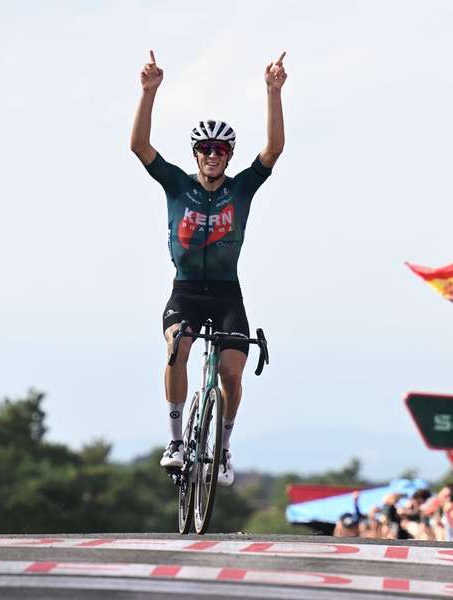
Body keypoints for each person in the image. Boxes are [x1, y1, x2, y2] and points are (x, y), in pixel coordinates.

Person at [130, 50, 287, 486]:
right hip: (185, 291)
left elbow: (273, 149)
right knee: (177, 348)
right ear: (196, 154)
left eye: (220, 149)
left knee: (232, 375)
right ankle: (176, 441)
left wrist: (273, 92)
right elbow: (140, 147)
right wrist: (149, 92)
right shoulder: (177, 184)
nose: (212, 155)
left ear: (229, 154)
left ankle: (224, 448)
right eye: (205, 148)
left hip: (226, 293)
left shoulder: (241, 190)